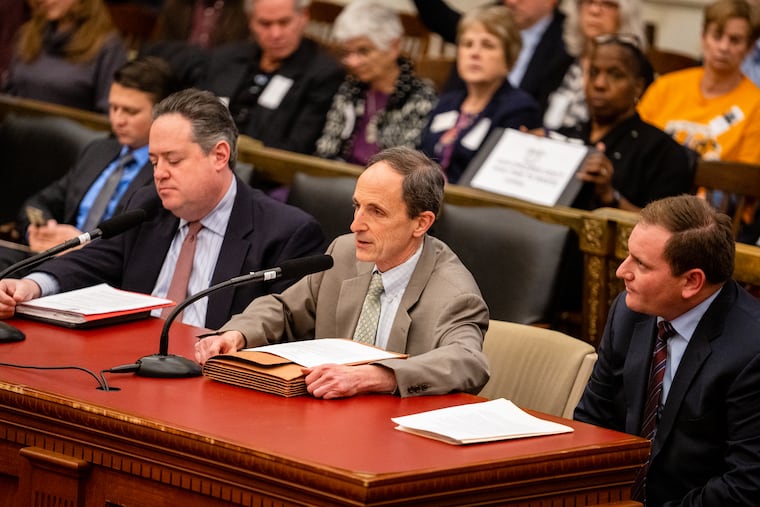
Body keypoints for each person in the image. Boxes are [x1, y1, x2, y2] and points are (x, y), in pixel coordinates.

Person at [0, 89, 326, 329]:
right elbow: (91, 261)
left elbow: (286, 326)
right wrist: (32, 286)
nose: (159, 173)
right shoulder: (148, 205)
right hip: (128, 361)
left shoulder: (286, 233)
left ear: (220, 155)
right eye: (155, 161)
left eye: (174, 160)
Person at [195, 147, 490, 399]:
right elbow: (285, 310)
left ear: (421, 223)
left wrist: (379, 376)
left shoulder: (453, 292)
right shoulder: (345, 252)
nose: (355, 225)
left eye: (376, 212)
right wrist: (238, 334)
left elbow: (468, 362)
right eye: (357, 206)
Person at [575, 195, 760, 506]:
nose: (622, 271)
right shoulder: (629, 311)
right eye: (627, 255)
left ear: (691, 281)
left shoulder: (751, 351)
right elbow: (592, 418)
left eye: (641, 264)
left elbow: (746, 485)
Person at [0, 56, 178, 273]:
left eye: (130, 111)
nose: (118, 120)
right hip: (52, 258)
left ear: (163, 114)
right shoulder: (99, 151)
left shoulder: (166, 171)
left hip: (102, 274)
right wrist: (41, 230)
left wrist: (86, 245)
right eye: (113, 108)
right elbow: (38, 202)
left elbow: (145, 246)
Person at [555, 35, 693, 211]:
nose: (599, 84)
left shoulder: (663, 152)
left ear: (638, 87)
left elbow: (664, 231)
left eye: (615, 75)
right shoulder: (564, 136)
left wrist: (610, 196)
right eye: (594, 72)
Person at [199, 0, 344, 154]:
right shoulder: (227, 58)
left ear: (303, 17)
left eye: (284, 22)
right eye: (265, 24)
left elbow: (297, 146)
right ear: (250, 22)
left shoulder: (323, 72)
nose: (276, 34)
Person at [418, 5, 542, 184]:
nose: (474, 53)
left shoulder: (519, 108)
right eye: (467, 44)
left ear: (510, 57)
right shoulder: (447, 101)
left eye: (487, 45)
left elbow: (497, 177)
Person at [314, 0, 438, 166]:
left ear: (393, 47)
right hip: (333, 182)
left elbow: (402, 167)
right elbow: (325, 150)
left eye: (363, 51)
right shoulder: (350, 88)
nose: (352, 62)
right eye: (347, 52)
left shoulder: (420, 96)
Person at [638, 0, 760, 164]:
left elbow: (745, 178)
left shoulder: (756, 106)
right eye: (717, 36)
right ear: (703, 37)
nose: (723, 47)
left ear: (750, 47)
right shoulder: (665, 87)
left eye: (735, 40)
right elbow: (634, 144)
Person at [412, 0, 572, 113]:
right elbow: (438, 17)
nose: (512, 2)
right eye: (468, 44)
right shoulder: (490, 15)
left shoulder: (568, 40)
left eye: (487, 45)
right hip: (459, 113)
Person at [3, 0, 128, 113]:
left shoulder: (108, 47)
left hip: (74, 136)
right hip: (17, 131)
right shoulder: (29, 33)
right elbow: (10, 91)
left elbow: (110, 114)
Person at [543, 0, 646, 130]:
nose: (594, 11)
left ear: (626, 14)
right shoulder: (562, 61)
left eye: (608, 4)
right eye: (588, 2)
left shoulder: (637, 70)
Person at [153, 0, 250, 49]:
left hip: (214, 75)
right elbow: (164, 44)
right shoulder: (176, 6)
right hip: (176, 66)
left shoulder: (240, 15)